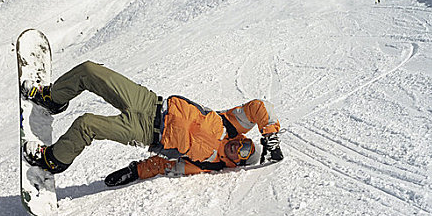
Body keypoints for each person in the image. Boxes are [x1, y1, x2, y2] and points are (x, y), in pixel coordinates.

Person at [21, 61, 284, 186]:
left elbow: (165, 165)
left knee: (86, 124)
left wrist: (135, 171)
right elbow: (260, 108)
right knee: (90, 71)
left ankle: (53, 160)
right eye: (246, 144)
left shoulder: (207, 165)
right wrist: (270, 139)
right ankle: (53, 99)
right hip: (149, 103)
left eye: (244, 154)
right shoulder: (230, 125)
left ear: (236, 163)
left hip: (146, 133)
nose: (240, 148)